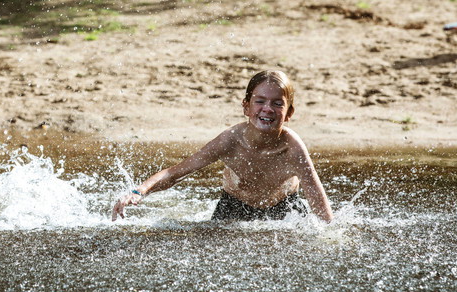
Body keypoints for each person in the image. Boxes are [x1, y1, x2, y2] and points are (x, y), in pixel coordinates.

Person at [113, 70, 333, 223]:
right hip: (233, 207)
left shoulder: (293, 148)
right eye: (260, 101)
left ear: (289, 113)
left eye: (277, 104)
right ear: (246, 107)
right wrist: (139, 191)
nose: (268, 109)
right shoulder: (231, 140)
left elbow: (320, 208)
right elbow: (176, 173)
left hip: (285, 208)